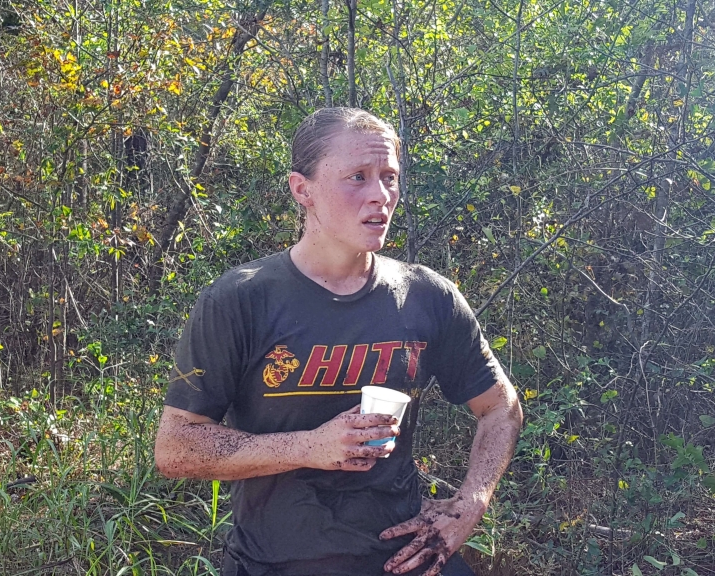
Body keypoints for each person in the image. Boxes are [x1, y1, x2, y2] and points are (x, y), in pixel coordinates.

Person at [154, 107, 523, 576]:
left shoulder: (426, 296)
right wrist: (309, 446)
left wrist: (471, 503)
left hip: (403, 555)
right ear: (302, 189)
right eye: (357, 177)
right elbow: (177, 447)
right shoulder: (240, 299)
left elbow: (500, 407)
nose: (380, 195)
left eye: (389, 177)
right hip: (275, 561)